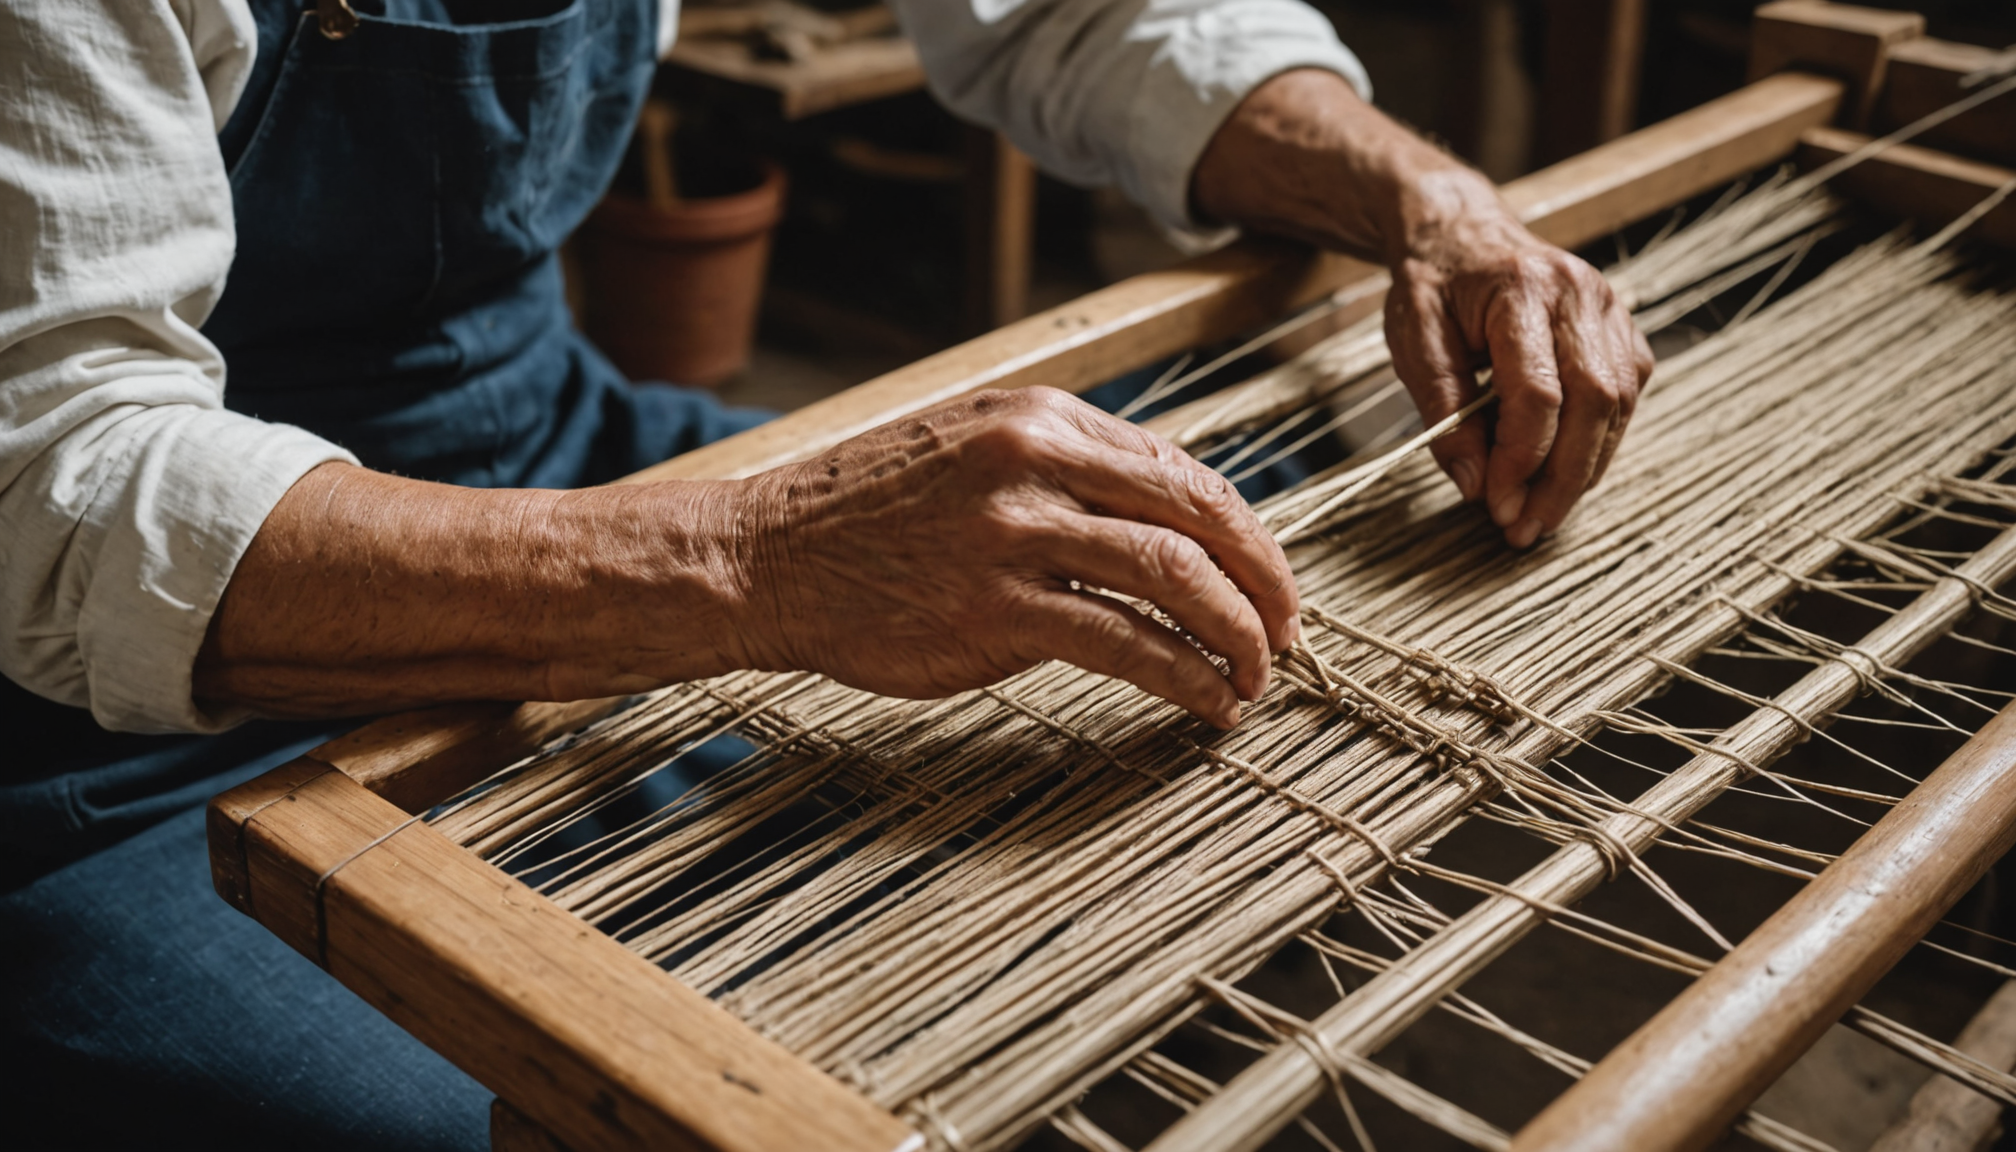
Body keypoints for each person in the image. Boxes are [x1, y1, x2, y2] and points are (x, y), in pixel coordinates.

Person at [0, 0, 1652, 1146]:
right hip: (104, 726)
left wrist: (1428, 203)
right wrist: (753, 557)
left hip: (558, 442)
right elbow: (57, 482)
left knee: (1172, 656)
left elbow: (1070, 17)